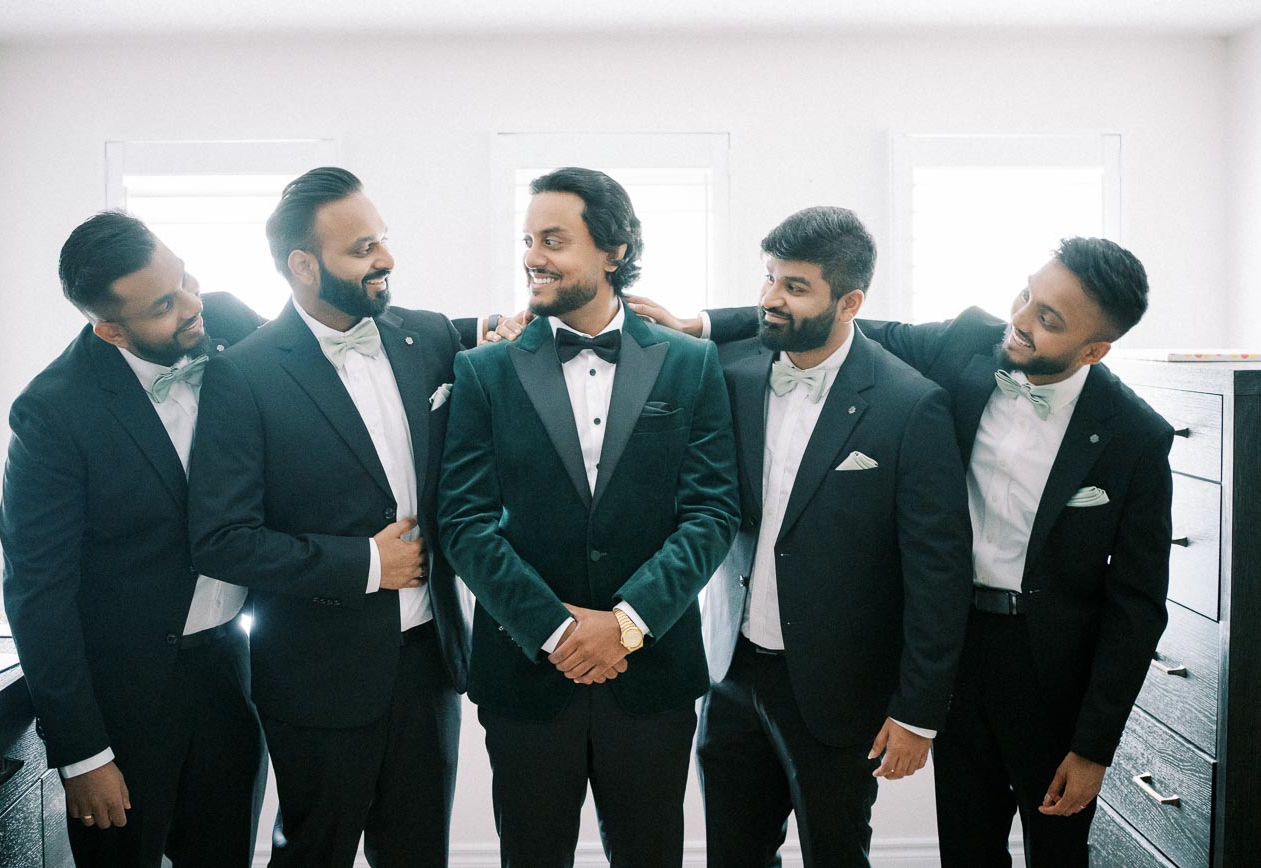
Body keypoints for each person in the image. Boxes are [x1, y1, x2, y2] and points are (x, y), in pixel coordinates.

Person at [633, 235, 1173, 866]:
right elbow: (848, 317)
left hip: (1049, 670)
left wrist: (1094, 748)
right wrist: (694, 322)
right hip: (952, 642)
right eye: (1027, 295)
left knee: (1058, 848)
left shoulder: (1136, 435)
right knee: (966, 846)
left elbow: (1137, 605)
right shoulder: (972, 344)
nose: (1021, 321)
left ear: (1094, 349)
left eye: (1047, 320)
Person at [437, 167, 740, 868]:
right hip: (525, 674)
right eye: (527, 239)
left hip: (653, 675)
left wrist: (628, 624)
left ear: (612, 251)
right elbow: (465, 522)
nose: (532, 256)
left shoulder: (691, 365)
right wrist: (557, 629)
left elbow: (711, 512)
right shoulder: (484, 371)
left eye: (553, 239)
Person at [186, 167, 470, 868]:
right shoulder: (242, 375)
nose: (386, 260)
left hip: (429, 661)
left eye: (383, 240)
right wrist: (368, 565)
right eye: (363, 248)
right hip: (316, 674)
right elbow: (221, 540)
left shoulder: (430, 338)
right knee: (316, 852)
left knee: (419, 854)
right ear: (303, 266)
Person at [694, 206, 972, 867]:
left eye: (794, 286)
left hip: (838, 691)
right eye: (768, 278)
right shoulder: (731, 376)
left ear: (849, 302)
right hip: (730, 672)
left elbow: (938, 571)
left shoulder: (912, 404)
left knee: (837, 855)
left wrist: (918, 711)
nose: (770, 298)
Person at [0, 211, 265, 868]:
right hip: (124, 699)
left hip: (231, 670)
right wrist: (83, 755)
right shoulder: (54, 412)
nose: (193, 307)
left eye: (184, 279)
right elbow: (39, 593)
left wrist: (479, 332)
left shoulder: (228, 320)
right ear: (109, 327)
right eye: (164, 305)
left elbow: (327, 351)